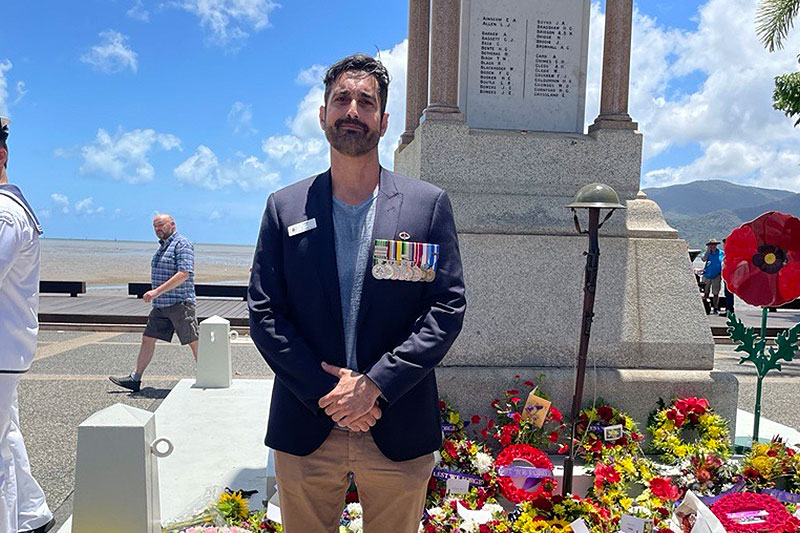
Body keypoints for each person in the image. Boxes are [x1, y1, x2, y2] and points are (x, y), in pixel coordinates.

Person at [248, 54, 466, 533]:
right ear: (322, 114)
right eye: (341, 100)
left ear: (384, 121)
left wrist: (375, 386)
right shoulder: (284, 208)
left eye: (366, 102)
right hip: (307, 422)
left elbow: (446, 309)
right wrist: (329, 392)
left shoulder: (425, 207)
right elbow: (265, 313)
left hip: (397, 419)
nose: (352, 110)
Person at [0, 117, 56, 533]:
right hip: (8, 347)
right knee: (7, 435)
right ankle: (30, 515)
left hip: (2, 346)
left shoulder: (3, 213)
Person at [109, 214, 198, 392]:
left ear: (172, 224)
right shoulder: (163, 247)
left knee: (193, 340)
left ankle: (208, 375)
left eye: (161, 225)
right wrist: (158, 295)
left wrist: (156, 291)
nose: (158, 229)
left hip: (180, 303)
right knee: (148, 338)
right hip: (161, 305)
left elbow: (184, 273)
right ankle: (135, 378)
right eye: (155, 227)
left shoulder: (182, 244)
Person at [701, 238, 724, 315]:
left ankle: (715, 308)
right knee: (706, 292)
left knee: (716, 293)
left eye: (714, 244)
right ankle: (706, 307)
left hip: (716, 275)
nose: (713, 246)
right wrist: (708, 251)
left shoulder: (721, 253)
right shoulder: (706, 253)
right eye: (711, 245)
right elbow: (703, 259)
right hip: (707, 275)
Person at [721, 238, 734, 316]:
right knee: (727, 293)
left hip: (729, 277)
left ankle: (729, 310)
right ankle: (728, 309)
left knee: (729, 293)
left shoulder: (730, 253)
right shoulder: (726, 253)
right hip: (726, 277)